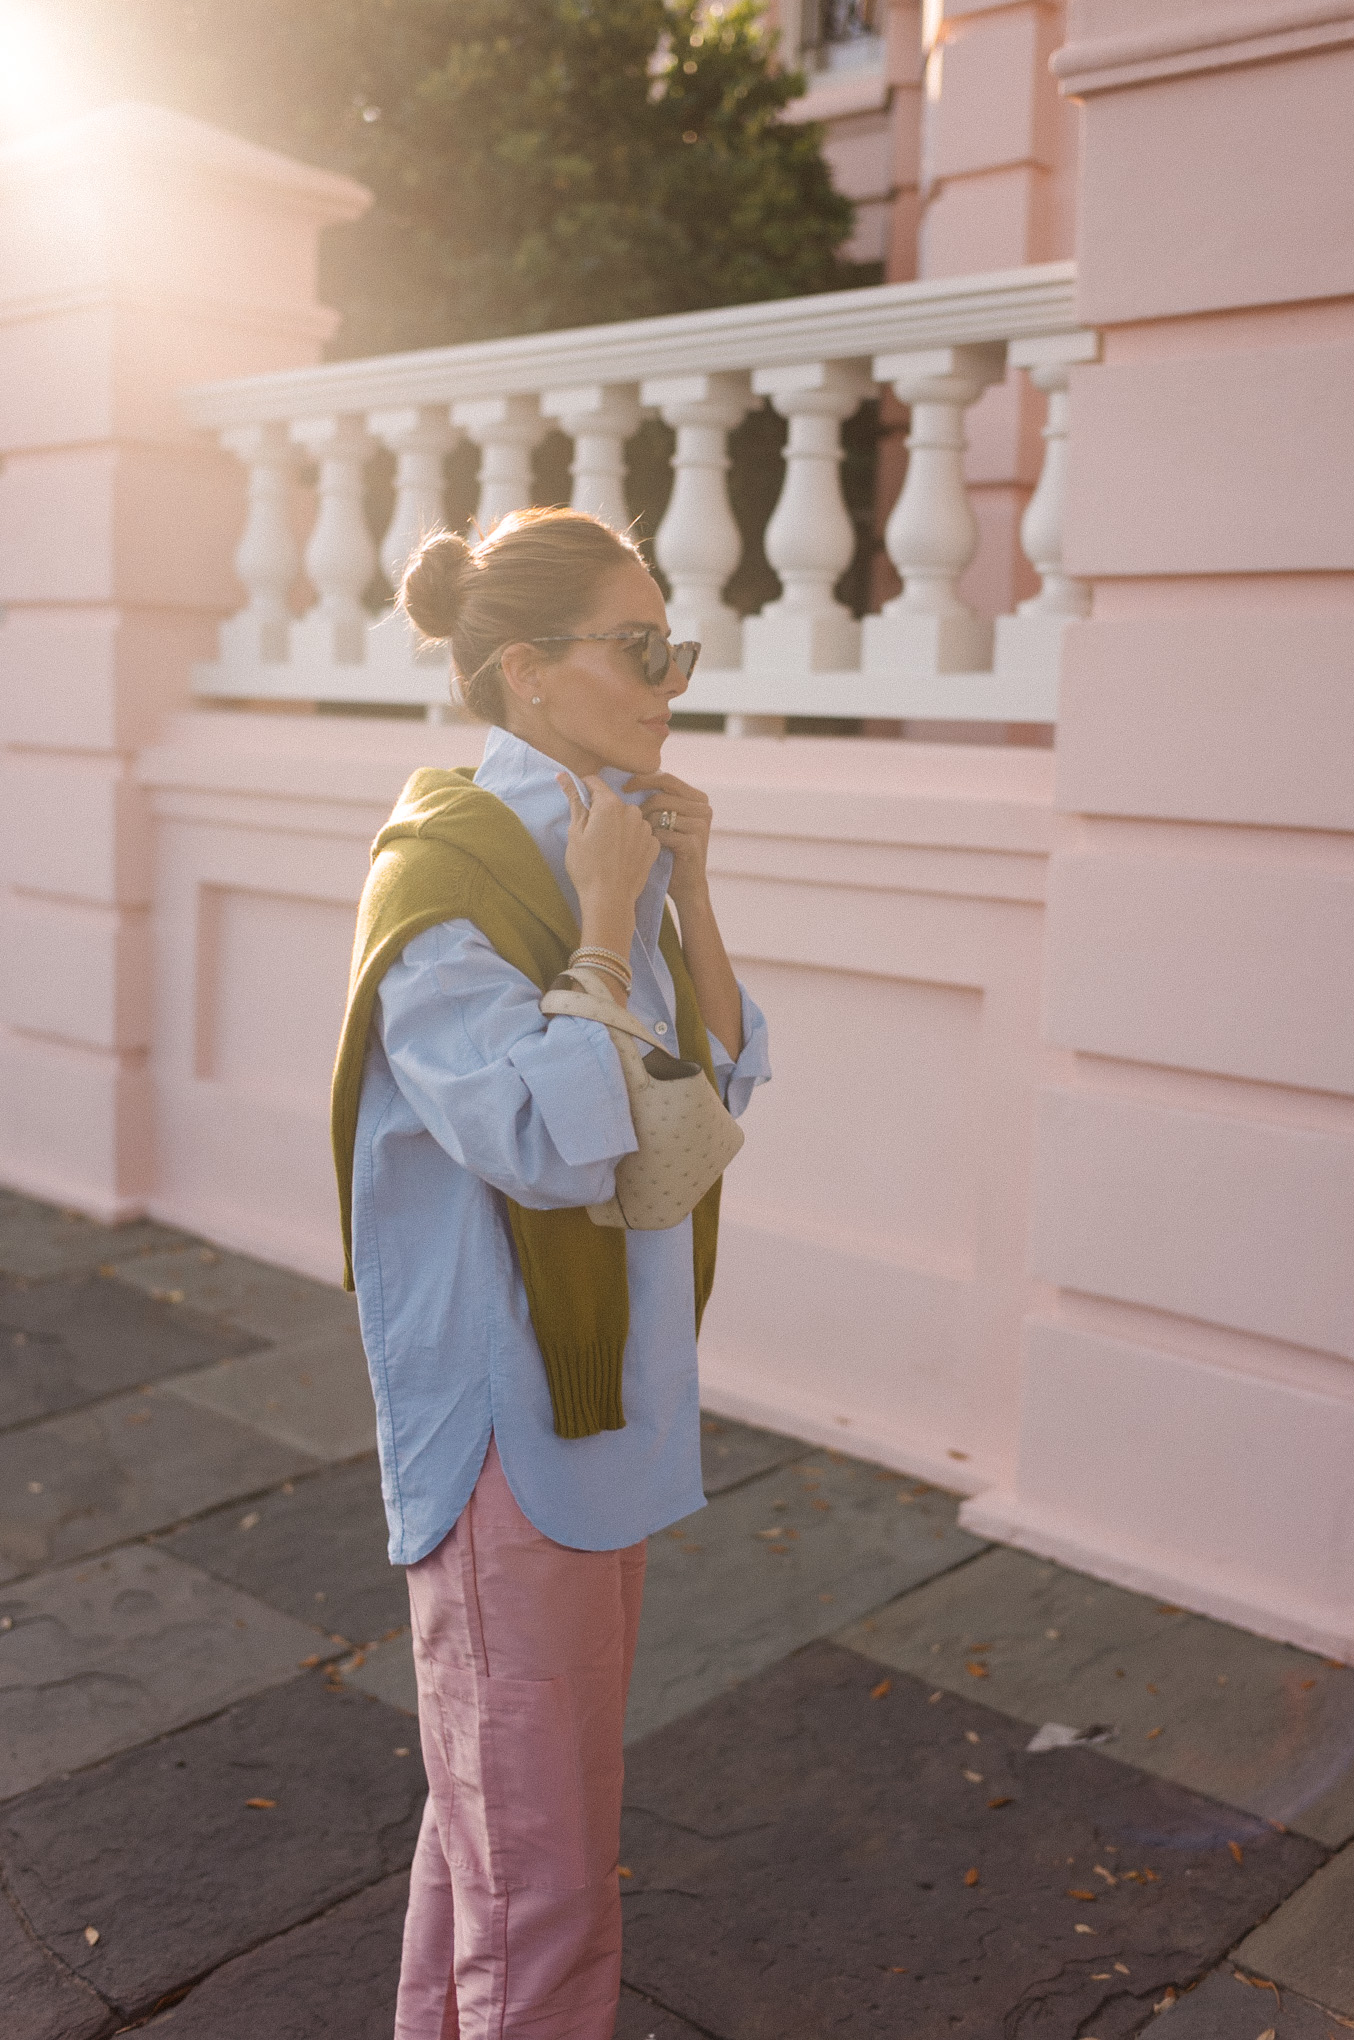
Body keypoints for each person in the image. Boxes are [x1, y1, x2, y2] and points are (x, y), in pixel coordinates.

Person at [330, 506, 770, 2040]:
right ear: (527, 672)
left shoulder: (616, 830)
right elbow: (547, 1141)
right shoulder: (447, 876)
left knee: (501, 1837)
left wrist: (684, 894)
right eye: (640, 648)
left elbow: (709, 1099)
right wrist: (599, 914)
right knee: (546, 1877)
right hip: (509, 1426)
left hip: (609, 1407)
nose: (672, 678)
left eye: (676, 647)